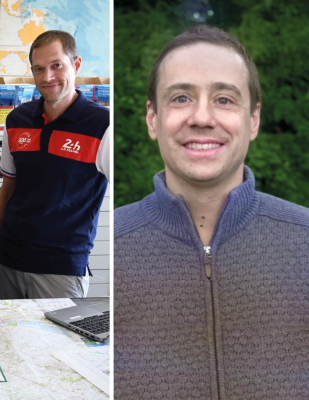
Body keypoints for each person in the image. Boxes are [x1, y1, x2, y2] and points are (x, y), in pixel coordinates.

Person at [114, 25, 309, 397]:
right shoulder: (114, 245)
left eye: (224, 99)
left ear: (253, 120)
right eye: (181, 98)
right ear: (152, 119)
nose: (202, 117)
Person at [0, 30, 111, 299]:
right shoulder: (16, 120)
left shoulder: (103, 125)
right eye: (39, 69)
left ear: (76, 65)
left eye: (56, 65)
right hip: (7, 262)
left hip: (61, 269)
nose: (47, 77)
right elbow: (7, 191)